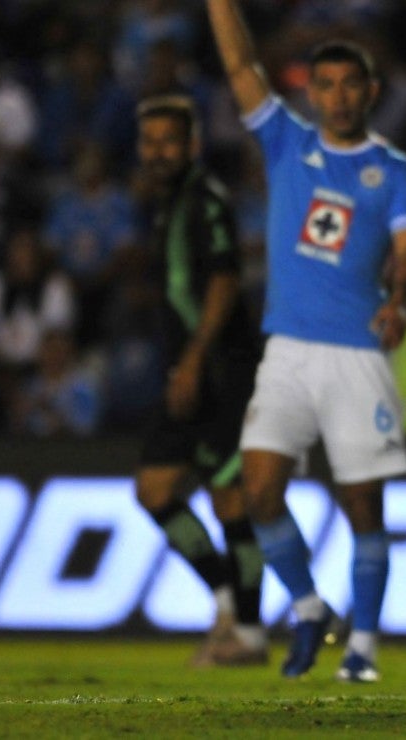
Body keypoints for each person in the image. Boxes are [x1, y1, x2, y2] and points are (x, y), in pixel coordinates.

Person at [206, 0, 406, 681]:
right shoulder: (287, 142)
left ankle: (361, 648)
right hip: (288, 351)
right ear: (310, 90)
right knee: (257, 489)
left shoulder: (394, 171)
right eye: (324, 85)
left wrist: (398, 301)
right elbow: (241, 65)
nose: (336, 97)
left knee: (363, 505)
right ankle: (307, 609)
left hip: (356, 353)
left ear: (371, 93)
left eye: (349, 85)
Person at [131, 94, 267, 667]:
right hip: (191, 367)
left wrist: (193, 360)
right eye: (150, 142)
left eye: (169, 141)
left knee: (228, 498)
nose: (159, 152)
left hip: (219, 370)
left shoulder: (205, 200)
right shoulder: (168, 205)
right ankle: (225, 602)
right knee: (155, 491)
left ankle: (249, 632)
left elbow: (223, 282)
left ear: (191, 145)